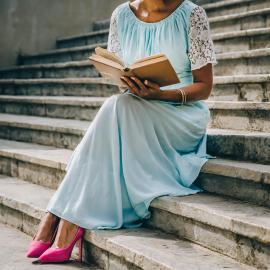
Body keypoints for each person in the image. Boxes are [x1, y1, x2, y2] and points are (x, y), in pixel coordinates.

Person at [26, 0, 218, 263]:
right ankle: (62, 219)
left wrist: (161, 94)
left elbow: (205, 87)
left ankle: (58, 217)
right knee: (120, 104)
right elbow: (120, 79)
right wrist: (131, 83)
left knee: (117, 107)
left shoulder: (192, 15)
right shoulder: (121, 15)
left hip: (181, 113)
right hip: (137, 107)